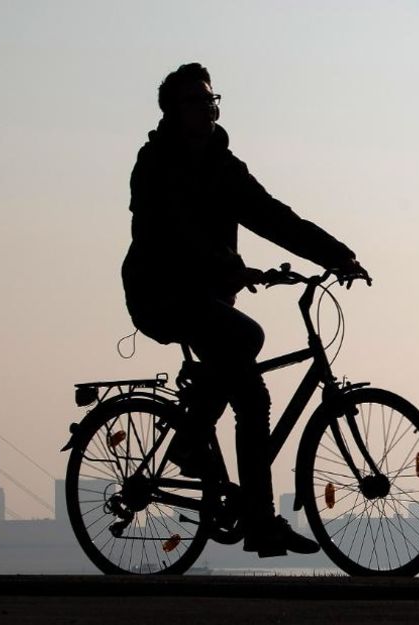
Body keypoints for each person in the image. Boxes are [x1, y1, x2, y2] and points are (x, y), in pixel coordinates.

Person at [121, 63, 369, 557]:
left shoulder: (222, 166)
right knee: (248, 357)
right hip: (160, 294)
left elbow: (274, 216)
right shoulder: (155, 164)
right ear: (173, 111)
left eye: (213, 99)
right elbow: (172, 234)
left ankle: (218, 474)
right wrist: (231, 266)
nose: (209, 109)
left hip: (207, 298)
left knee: (245, 374)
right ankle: (236, 495)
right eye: (197, 101)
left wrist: (337, 254)